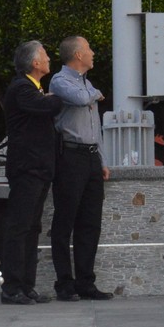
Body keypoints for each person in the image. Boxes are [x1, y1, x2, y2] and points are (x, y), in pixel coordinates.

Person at [0, 40, 66, 305]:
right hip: (26, 167)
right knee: (19, 227)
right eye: (45, 55)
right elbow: (49, 106)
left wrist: (48, 98)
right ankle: (12, 287)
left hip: (39, 168)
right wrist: (53, 98)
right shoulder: (22, 88)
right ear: (35, 63)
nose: (49, 59)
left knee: (32, 227)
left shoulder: (34, 89)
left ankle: (27, 285)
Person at [48, 36, 113, 301]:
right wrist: (95, 94)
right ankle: (64, 283)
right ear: (77, 54)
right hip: (70, 156)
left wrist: (102, 161)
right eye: (88, 48)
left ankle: (86, 282)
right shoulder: (60, 81)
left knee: (90, 223)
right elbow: (79, 98)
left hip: (91, 158)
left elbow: (96, 128)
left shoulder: (88, 84)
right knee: (65, 221)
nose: (93, 52)